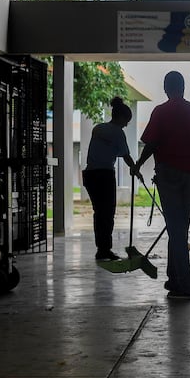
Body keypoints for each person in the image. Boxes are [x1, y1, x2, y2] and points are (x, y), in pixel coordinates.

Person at [134, 71, 190, 300]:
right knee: (179, 228)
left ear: (165, 88)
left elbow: (151, 144)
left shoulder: (161, 112)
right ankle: (174, 278)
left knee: (176, 229)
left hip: (168, 175)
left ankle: (185, 284)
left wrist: (139, 164)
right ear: (183, 87)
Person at [82, 97, 138, 261]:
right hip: (105, 175)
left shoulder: (98, 128)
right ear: (120, 117)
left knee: (99, 212)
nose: (126, 124)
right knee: (107, 213)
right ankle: (104, 250)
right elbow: (126, 156)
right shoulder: (118, 133)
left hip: (90, 175)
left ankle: (102, 248)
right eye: (126, 121)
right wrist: (135, 169)